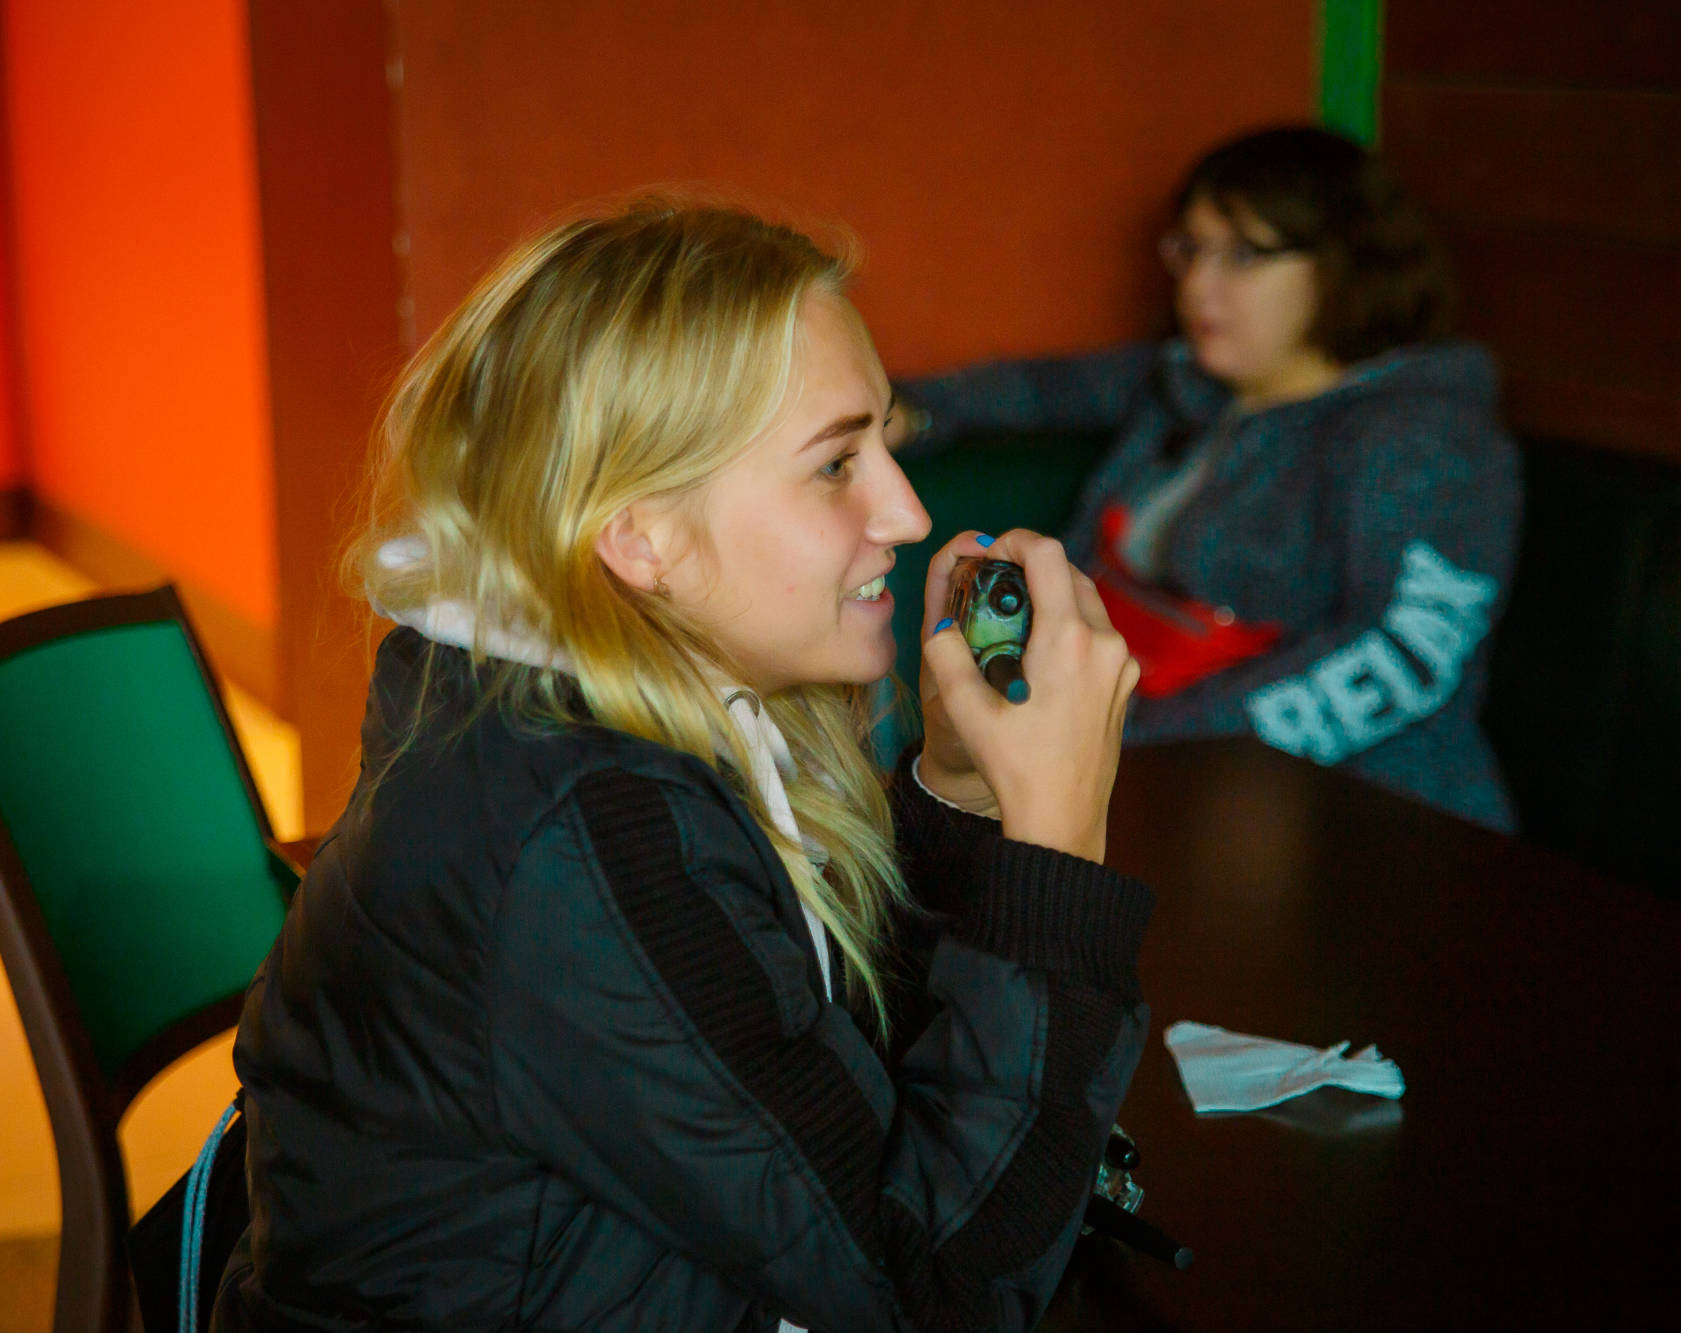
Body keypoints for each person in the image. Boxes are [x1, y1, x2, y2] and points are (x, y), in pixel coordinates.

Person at [213, 200, 1152, 1331]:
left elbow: (820, 1074)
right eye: (836, 464)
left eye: (888, 447)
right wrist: (1057, 848)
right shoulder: (584, 834)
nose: (906, 514)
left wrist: (953, 793)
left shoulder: (575, 718)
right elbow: (932, 1298)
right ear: (638, 535)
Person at [898, 126, 1522, 831]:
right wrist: (905, 414)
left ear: (1344, 263)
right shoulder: (1191, 381)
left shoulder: (1427, 437)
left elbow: (1398, 659)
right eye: (1190, 249)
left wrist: (1114, 738)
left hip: (1346, 814)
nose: (1197, 284)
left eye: (1244, 255)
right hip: (1140, 776)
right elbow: (1037, 391)